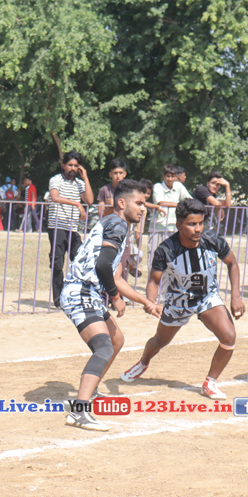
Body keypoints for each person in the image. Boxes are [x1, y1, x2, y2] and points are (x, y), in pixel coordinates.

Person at [119, 198, 245, 400]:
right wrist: (151, 302)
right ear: (179, 225)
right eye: (192, 224)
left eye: (201, 223)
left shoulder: (212, 240)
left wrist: (236, 296)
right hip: (178, 301)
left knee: (229, 336)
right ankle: (143, 362)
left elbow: (233, 263)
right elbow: (154, 281)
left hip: (207, 297)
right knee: (160, 341)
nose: (198, 229)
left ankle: (210, 383)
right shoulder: (166, 249)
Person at [60, 179, 158, 431]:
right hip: (81, 291)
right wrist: (114, 297)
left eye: (145, 203)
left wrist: (146, 302)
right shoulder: (118, 224)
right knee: (103, 348)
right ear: (122, 203)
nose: (144, 208)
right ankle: (79, 412)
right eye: (139, 203)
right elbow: (103, 266)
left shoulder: (115, 225)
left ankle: (90, 392)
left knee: (116, 340)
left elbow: (115, 278)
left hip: (87, 292)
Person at [47, 151, 93, 307]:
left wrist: (85, 178)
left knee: (80, 261)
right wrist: (77, 204)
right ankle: (58, 300)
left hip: (73, 228)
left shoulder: (80, 183)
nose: (73, 168)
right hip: (57, 226)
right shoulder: (56, 179)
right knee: (57, 263)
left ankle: (76, 295)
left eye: (76, 166)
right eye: (70, 165)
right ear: (63, 165)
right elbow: (55, 197)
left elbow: (89, 200)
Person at [151, 164, 192, 252]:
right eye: (168, 176)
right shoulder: (158, 186)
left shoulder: (179, 186)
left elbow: (189, 200)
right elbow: (161, 202)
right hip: (158, 228)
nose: (170, 179)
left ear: (176, 177)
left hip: (173, 228)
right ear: (163, 176)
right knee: (155, 253)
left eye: (172, 176)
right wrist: (179, 204)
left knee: (172, 254)